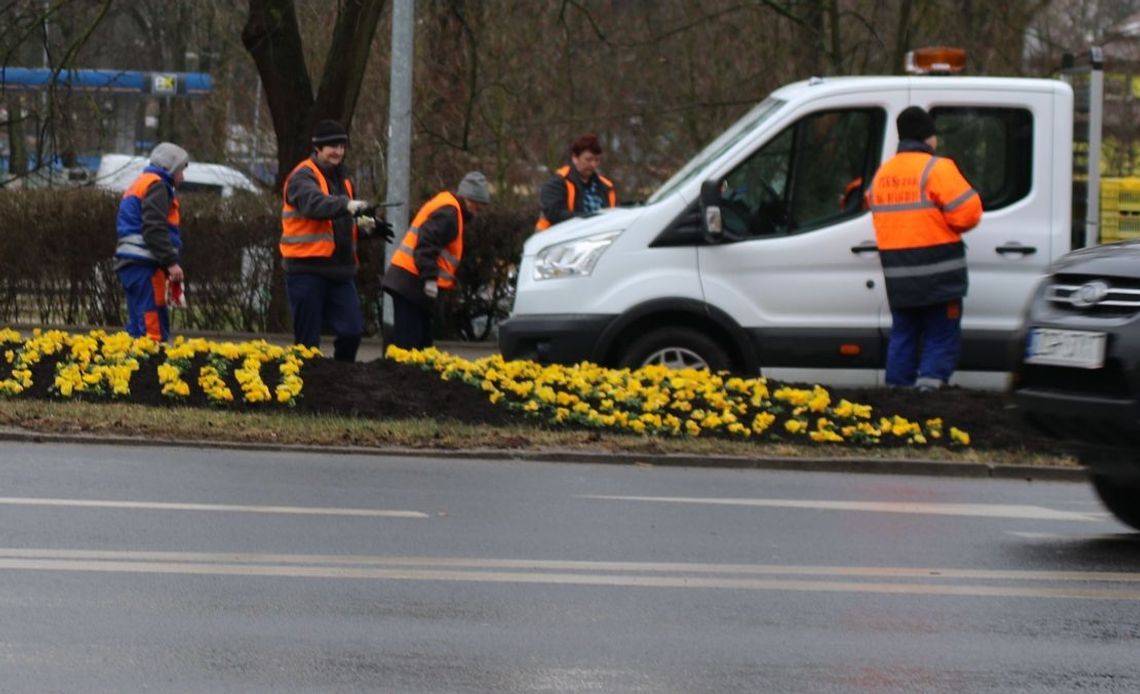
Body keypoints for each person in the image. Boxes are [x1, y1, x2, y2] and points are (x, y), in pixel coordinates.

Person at [867, 106, 983, 391]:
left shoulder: (883, 174)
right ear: (928, 138)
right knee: (941, 335)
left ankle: (897, 393)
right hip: (939, 274)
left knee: (903, 334)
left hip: (898, 275)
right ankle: (929, 393)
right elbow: (969, 213)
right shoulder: (937, 168)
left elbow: (875, 209)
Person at [279, 119, 392, 362]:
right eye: (333, 147)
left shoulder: (345, 180)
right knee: (307, 344)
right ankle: (307, 387)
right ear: (317, 148)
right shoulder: (301, 177)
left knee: (352, 332)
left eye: (342, 147)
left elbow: (341, 223)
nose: (339, 152)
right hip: (306, 270)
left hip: (340, 272)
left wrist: (369, 227)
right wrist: (348, 205)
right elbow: (315, 204)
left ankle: (340, 379)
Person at [383, 172, 491, 349]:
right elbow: (426, 244)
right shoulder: (450, 213)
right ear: (469, 200)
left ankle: (408, 374)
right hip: (412, 283)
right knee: (410, 345)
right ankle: (404, 374)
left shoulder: (448, 206)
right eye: (478, 208)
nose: (477, 213)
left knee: (418, 343)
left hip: (409, 282)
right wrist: (430, 278)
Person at [114, 141, 190, 342]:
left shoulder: (142, 182)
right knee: (151, 330)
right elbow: (154, 229)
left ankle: (130, 369)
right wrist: (171, 263)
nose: (182, 177)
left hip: (133, 265)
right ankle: (150, 369)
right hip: (144, 265)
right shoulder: (158, 186)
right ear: (170, 168)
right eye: (181, 170)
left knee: (139, 325)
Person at [535, 133, 616, 231]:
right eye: (588, 159)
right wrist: (590, 217)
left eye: (597, 160)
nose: (593, 164)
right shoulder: (556, 183)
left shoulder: (606, 186)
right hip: (555, 238)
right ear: (575, 158)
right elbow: (555, 214)